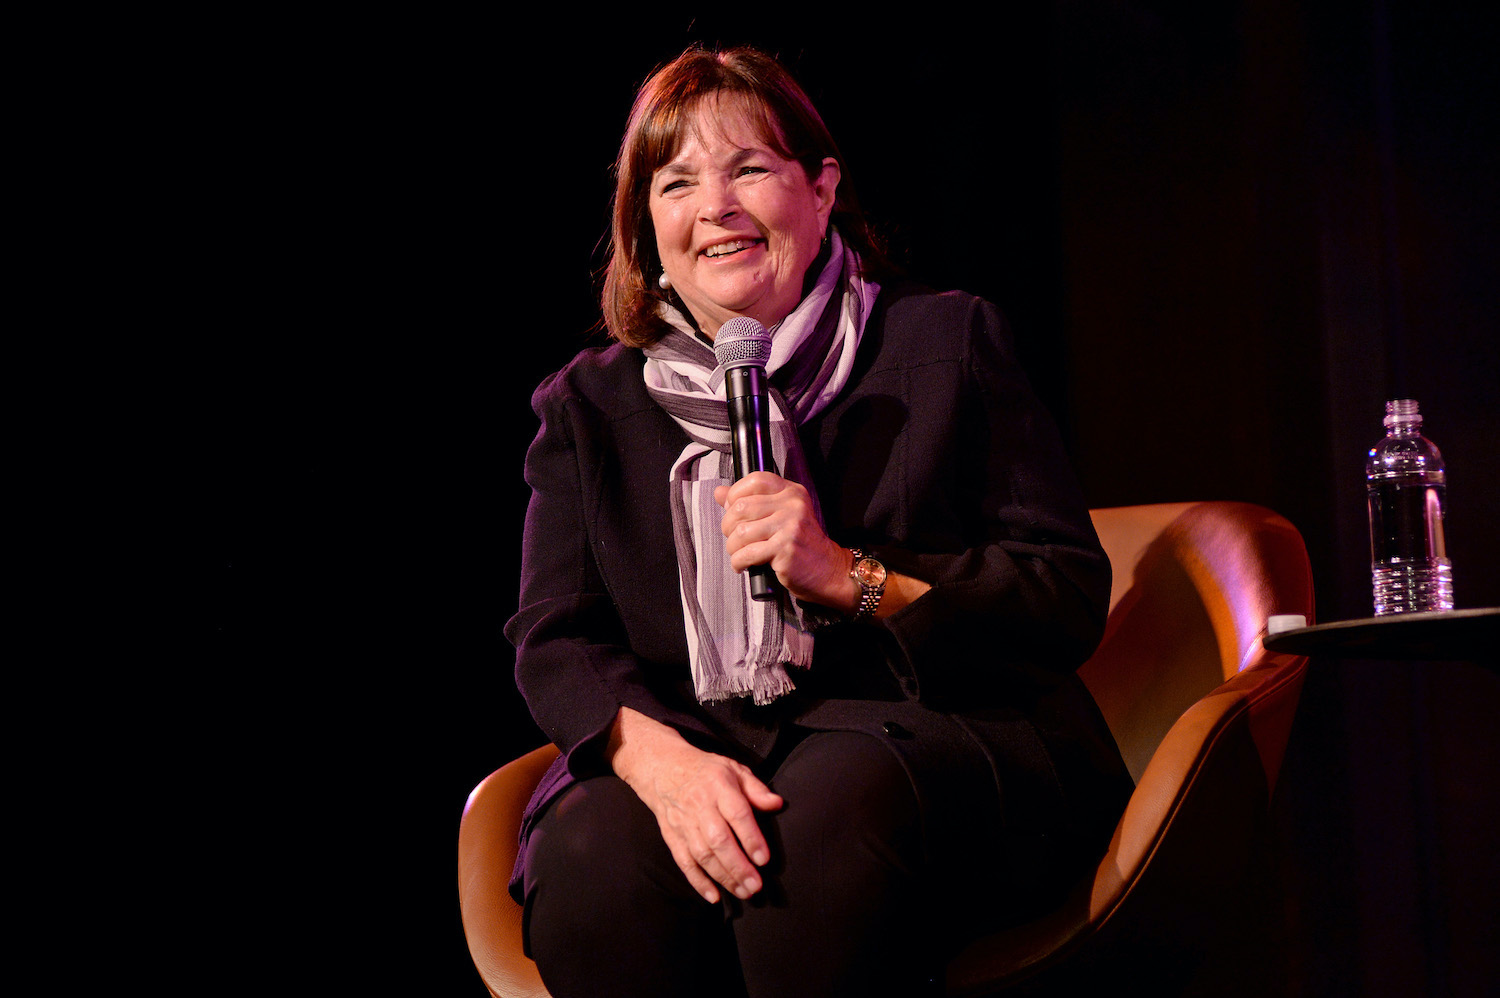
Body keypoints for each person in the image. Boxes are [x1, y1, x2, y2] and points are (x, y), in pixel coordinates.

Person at [504, 44, 1133, 997]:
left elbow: (1063, 593)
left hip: (932, 737)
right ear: (647, 224)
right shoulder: (587, 406)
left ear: (822, 188)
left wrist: (852, 576)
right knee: (591, 857)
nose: (715, 205)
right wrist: (657, 760)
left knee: (820, 826)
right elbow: (555, 636)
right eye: (677, 183)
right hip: (695, 739)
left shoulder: (944, 342)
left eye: (750, 168)